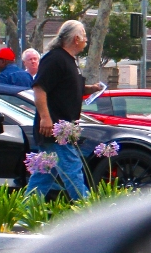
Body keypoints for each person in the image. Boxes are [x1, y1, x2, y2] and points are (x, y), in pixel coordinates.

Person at [29, 21, 103, 200]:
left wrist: (91, 88)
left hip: (64, 127)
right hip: (56, 128)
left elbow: (68, 88)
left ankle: (25, 213)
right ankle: (86, 210)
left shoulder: (70, 61)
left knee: (44, 174)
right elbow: (39, 88)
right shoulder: (55, 58)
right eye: (84, 35)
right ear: (76, 38)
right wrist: (45, 119)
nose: (86, 39)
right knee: (73, 168)